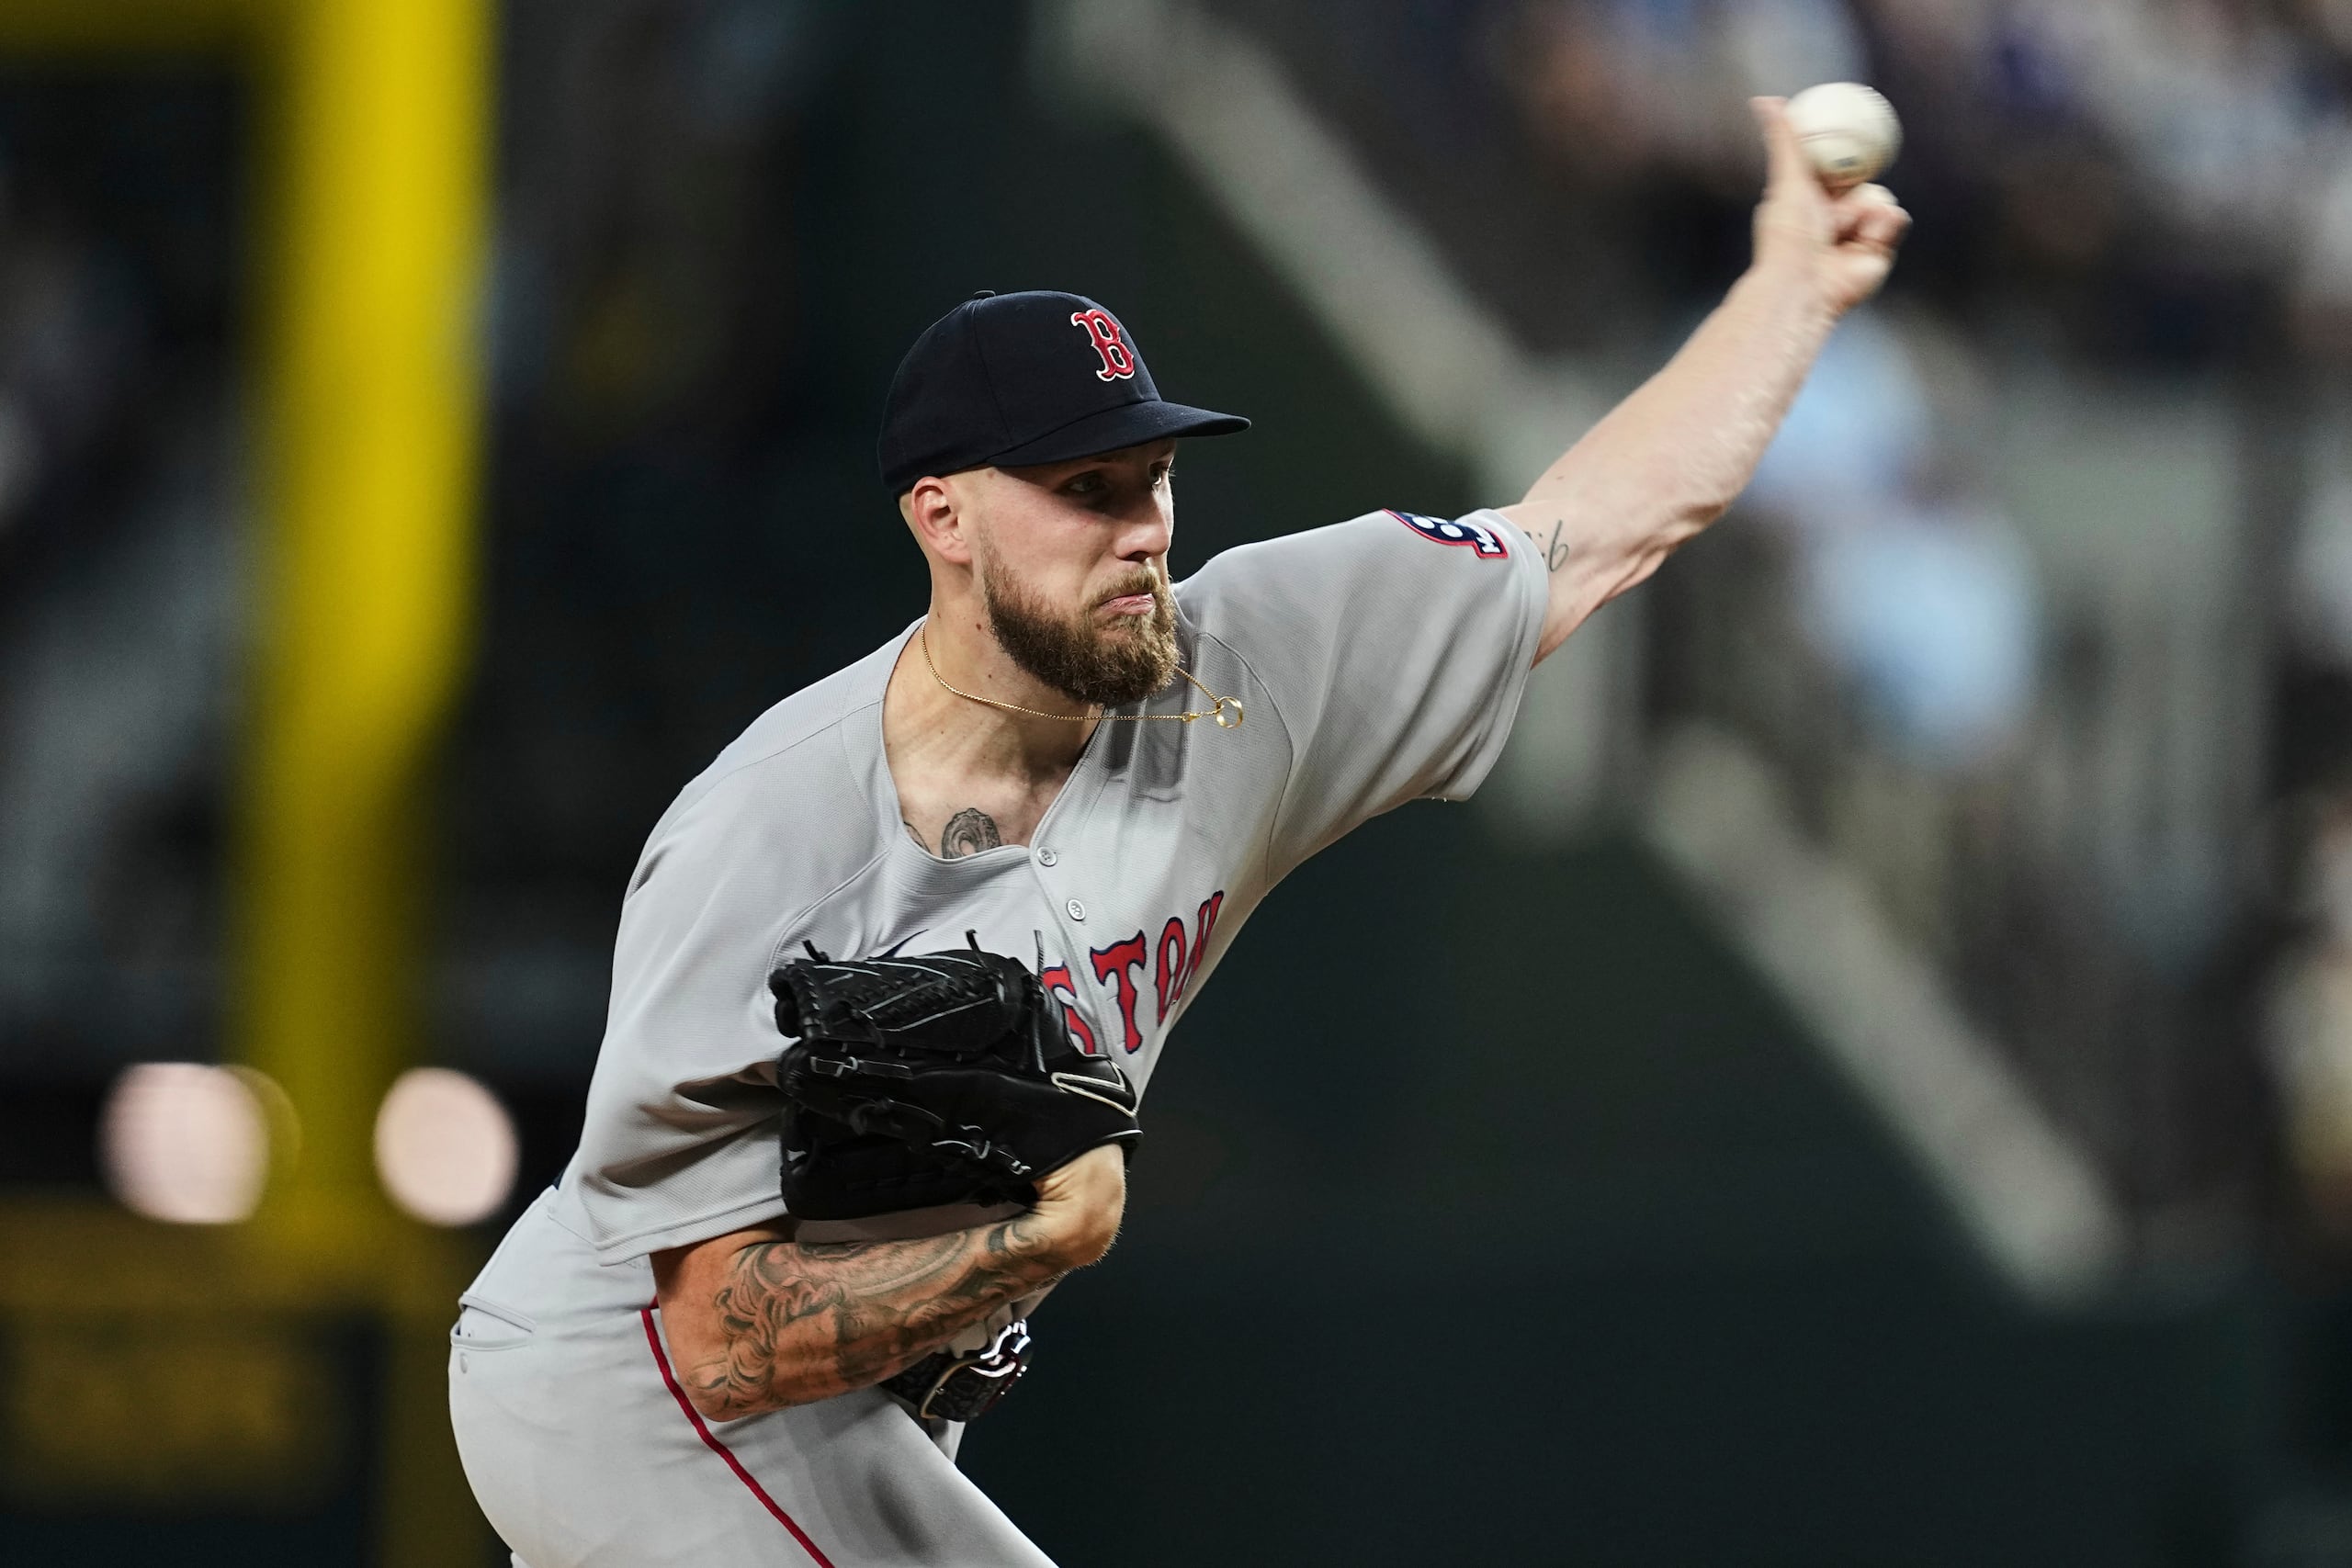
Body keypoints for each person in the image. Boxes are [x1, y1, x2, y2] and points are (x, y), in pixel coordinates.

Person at [447, 99, 1909, 1568]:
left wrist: (1791, 284)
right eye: (1084, 491)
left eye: (1151, 473)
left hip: (849, 1410)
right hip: (626, 1385)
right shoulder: (766, 837)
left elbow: (1599, 525)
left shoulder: (1251, 663)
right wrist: (1026, 1245)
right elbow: (716, 1338)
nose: (1143, 523)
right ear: (942, 516)